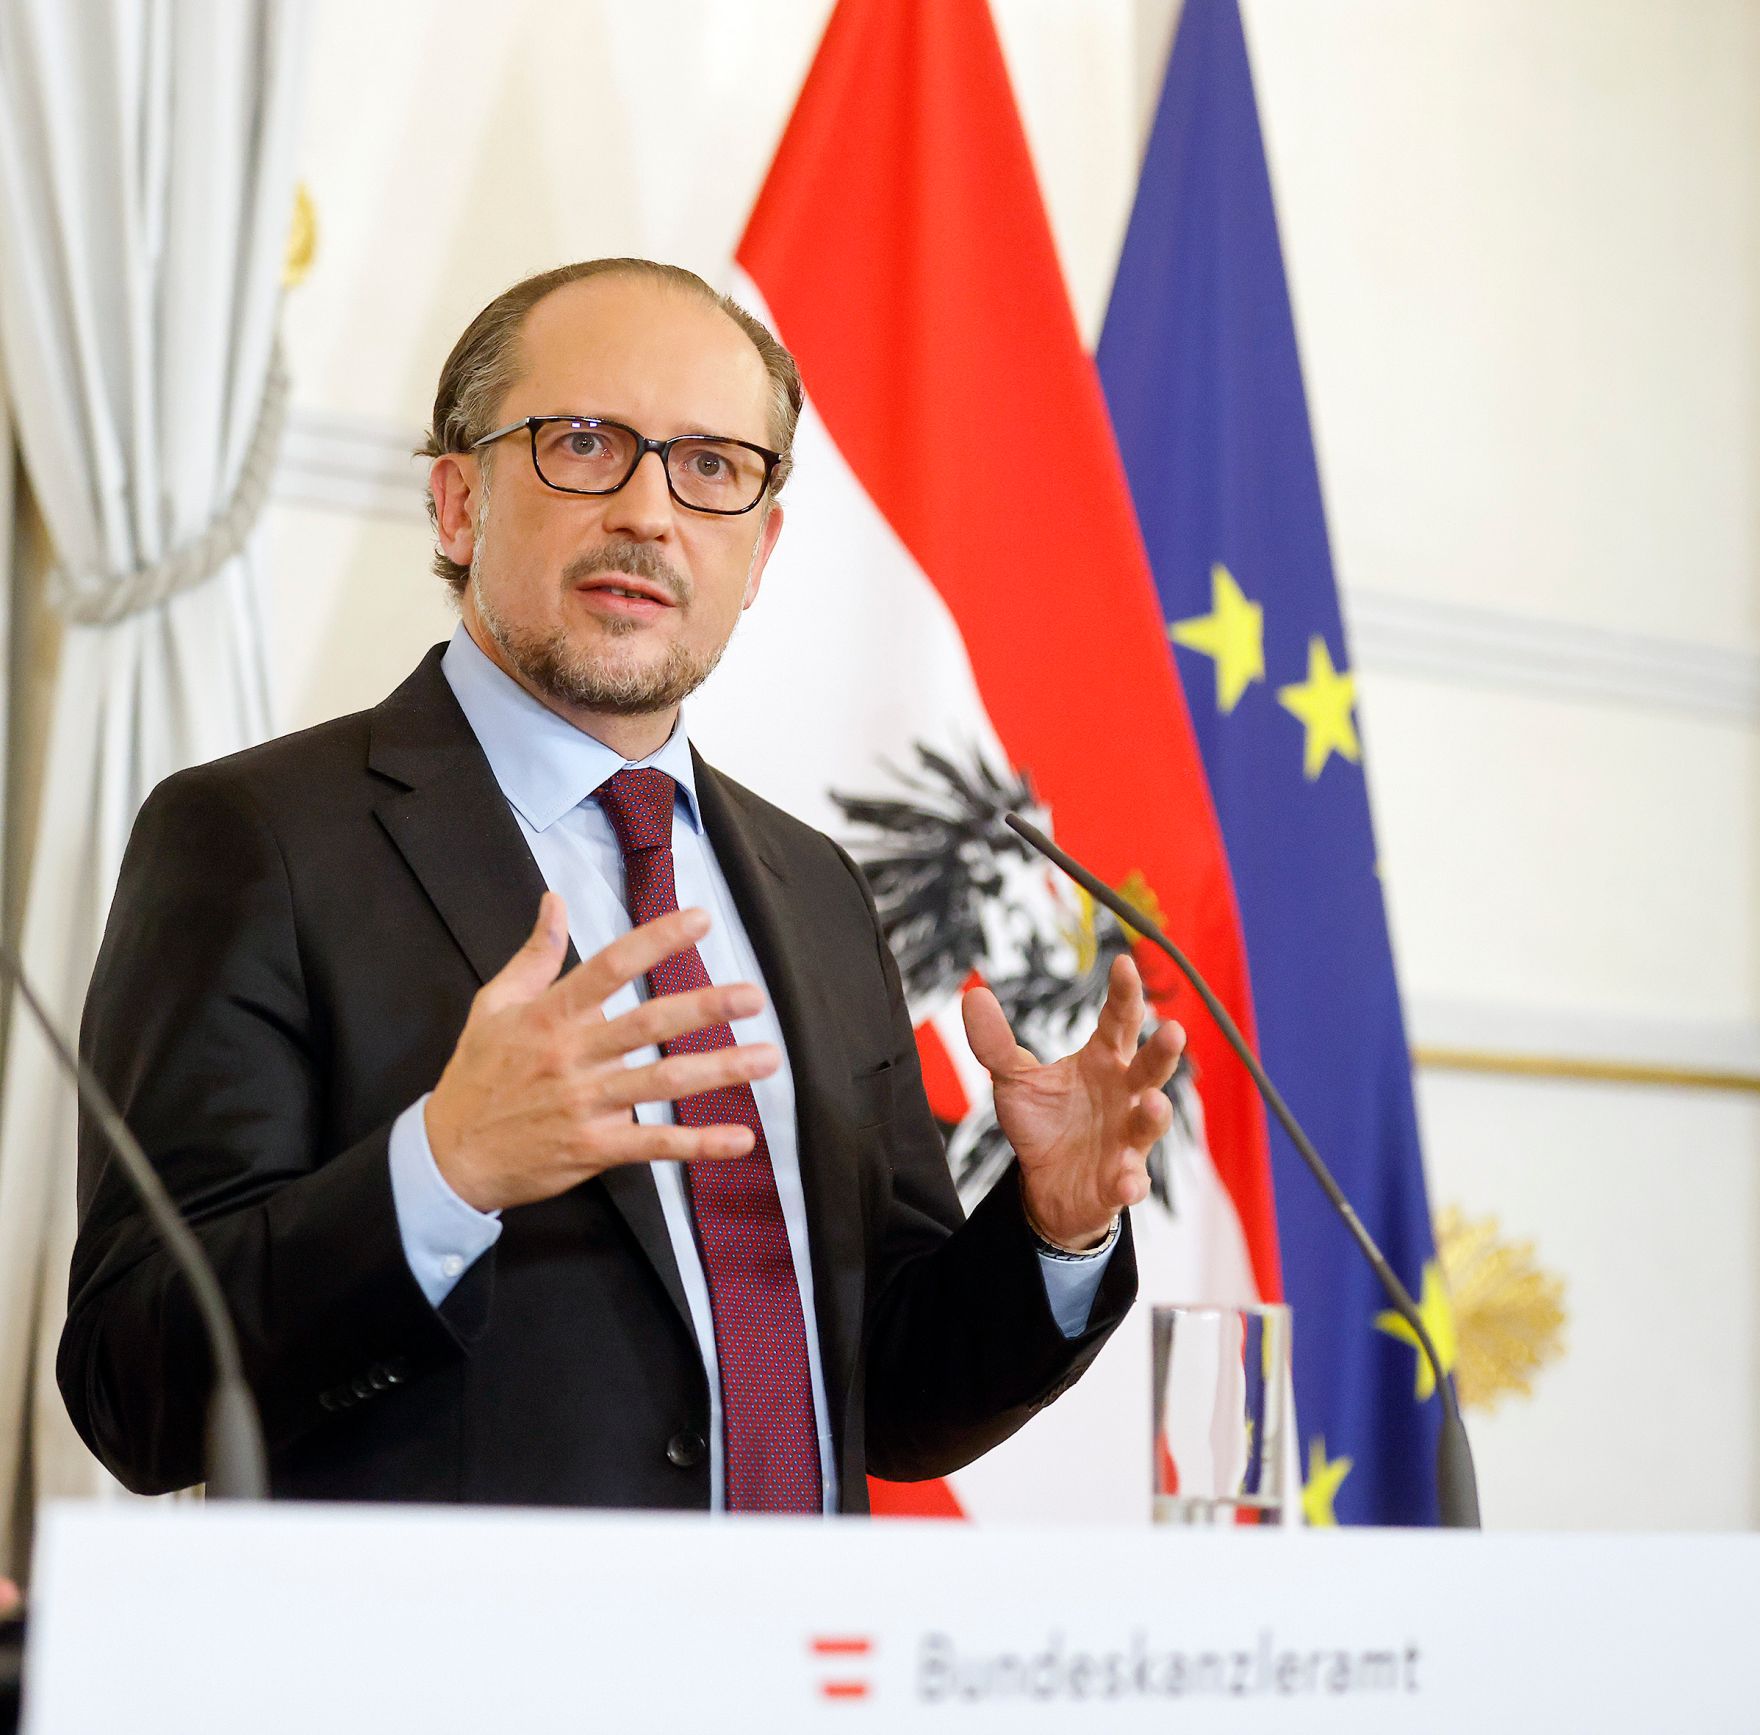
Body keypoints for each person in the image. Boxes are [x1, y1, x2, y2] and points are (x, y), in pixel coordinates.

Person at [60, 259, 1184, 1512]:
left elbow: (896, 1401)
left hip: (798, 1682)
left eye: (710, 468)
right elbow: (134, 1388)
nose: (650, 513)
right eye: (584, 443)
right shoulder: (253, 839)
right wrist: (445, 1166)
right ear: (455, 504)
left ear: (756, 553)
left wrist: (1051, 1227)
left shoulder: (813, 889)